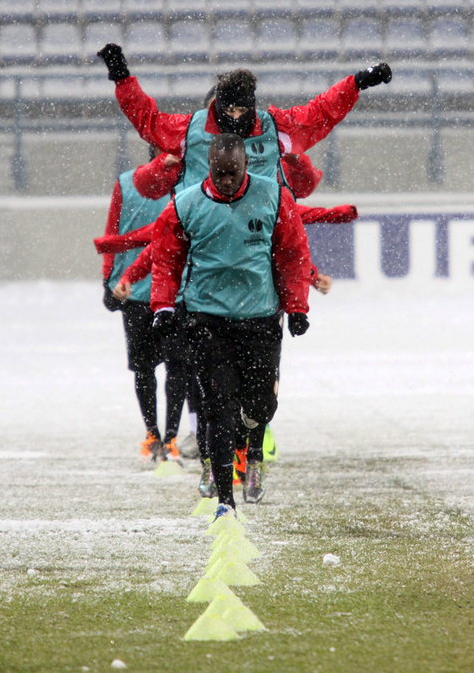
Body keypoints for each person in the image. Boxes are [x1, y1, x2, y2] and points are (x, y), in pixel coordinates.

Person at [149, 133, 312, 517]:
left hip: (260, 319)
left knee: (261, 405)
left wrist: (298, 306)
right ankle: (225, 498)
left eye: (232, 173)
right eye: (219, 174)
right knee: (216, 408)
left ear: (246, 166)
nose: (225, 180)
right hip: (207, 320)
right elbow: (167, 259)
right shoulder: (185, 205)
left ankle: (247, 441)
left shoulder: (273, 197)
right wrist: (162, 306)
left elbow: (293, 253)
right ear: (208, 167)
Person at [96, 43, 392, 195]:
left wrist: (356, 83)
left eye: (242, 110)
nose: (235, 117)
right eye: (228, 110)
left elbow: (320, 113)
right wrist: (122, 78)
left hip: (257, 233)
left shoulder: (275, 128)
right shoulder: (191, 129)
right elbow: (147, 120)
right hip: (203, 233)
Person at [101, 145, 191, 462]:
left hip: (176, 295)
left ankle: (169, 437)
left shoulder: (190, 186)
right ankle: (155, 434)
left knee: (176, 368)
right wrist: (110, 281)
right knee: (147, 369)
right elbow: (114, 231)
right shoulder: (127, 184)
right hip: (140, 293)